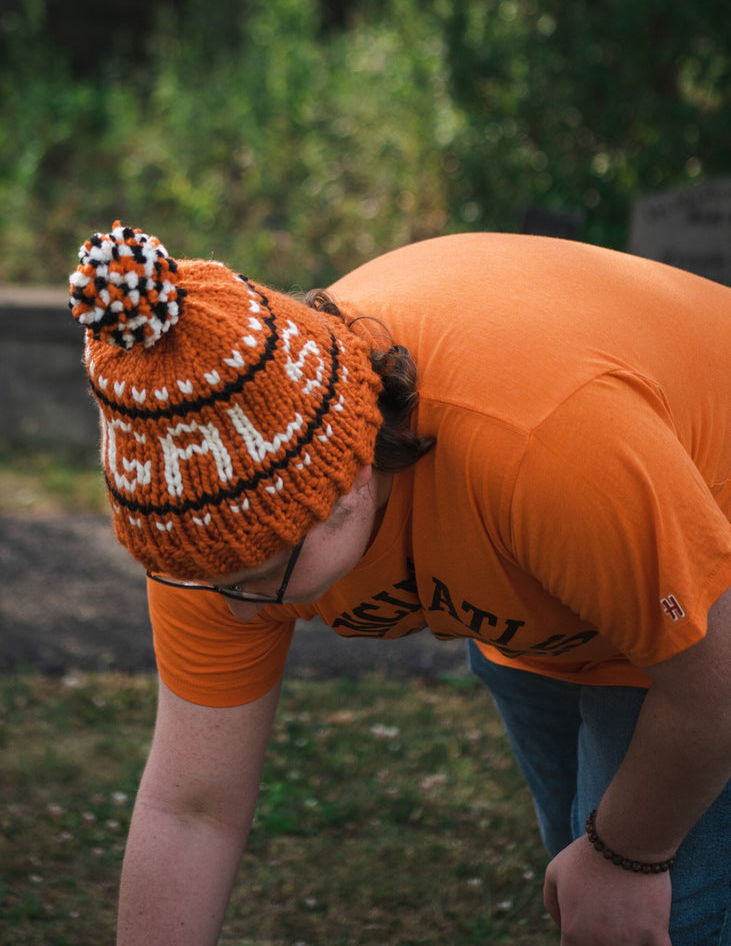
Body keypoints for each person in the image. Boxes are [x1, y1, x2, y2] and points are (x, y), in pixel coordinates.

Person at [69, 222, 731, 946]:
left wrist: (626, 853)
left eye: (261, 579)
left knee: (664, 909)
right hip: (549, 602)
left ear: (349, 472)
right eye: (204, 581)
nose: (234, 610)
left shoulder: (540, 447)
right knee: (584, 886)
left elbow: (717, 683)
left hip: (702, 576)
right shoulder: (208, 533)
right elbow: (191, 807)